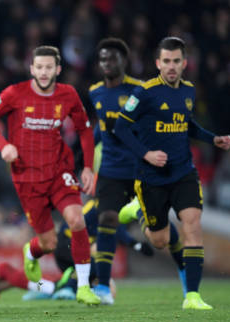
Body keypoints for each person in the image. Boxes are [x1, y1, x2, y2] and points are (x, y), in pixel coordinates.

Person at [114, 37, 230, 310]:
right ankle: (138, 211)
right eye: (166, 61)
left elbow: (186, 124)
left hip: (183, 172)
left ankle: (192, 296)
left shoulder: (189, 91)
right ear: (158, 63)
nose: (171, 66)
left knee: (192, 225)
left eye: (176, 61)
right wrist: (146, 154)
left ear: (184, 63)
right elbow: (121, 127)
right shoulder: (144, 92)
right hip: (151, 177)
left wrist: (212, 139)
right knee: (160, 240)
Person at [0, 45, 100, 305]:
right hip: (27, 178)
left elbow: (85, 130)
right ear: (31, 68)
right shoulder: (14, 93)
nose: (44, 72)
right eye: (39, 67)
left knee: (76, 220)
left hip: (60, 171)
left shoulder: (68, 95)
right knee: (47, 243)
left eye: (49, 67)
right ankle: (31, 252)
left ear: (58, 69)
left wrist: (88, 167)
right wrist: (5, 146)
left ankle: (83, 287)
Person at [88, 38, 152, 304]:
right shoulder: (95, 92)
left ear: (124, 61)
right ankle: (103, 288)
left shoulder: (141, 90)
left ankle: (189, 284)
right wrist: (84, 157)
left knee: (158, 235)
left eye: (112, 58)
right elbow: (99, 128)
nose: (107, 63)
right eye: (103, 59)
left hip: (140, 169)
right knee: (106, 219)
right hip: (111, 170)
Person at [22, 199, 154, 301]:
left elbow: (118, 231)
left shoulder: (107, 207)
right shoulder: (98, 206)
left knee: (108, 288)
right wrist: (137, 245)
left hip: (75, 247)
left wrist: (137, 245)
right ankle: (66, 288)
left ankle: (47, 289)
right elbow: (117, 231)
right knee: (96, 266)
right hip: (66, 244)